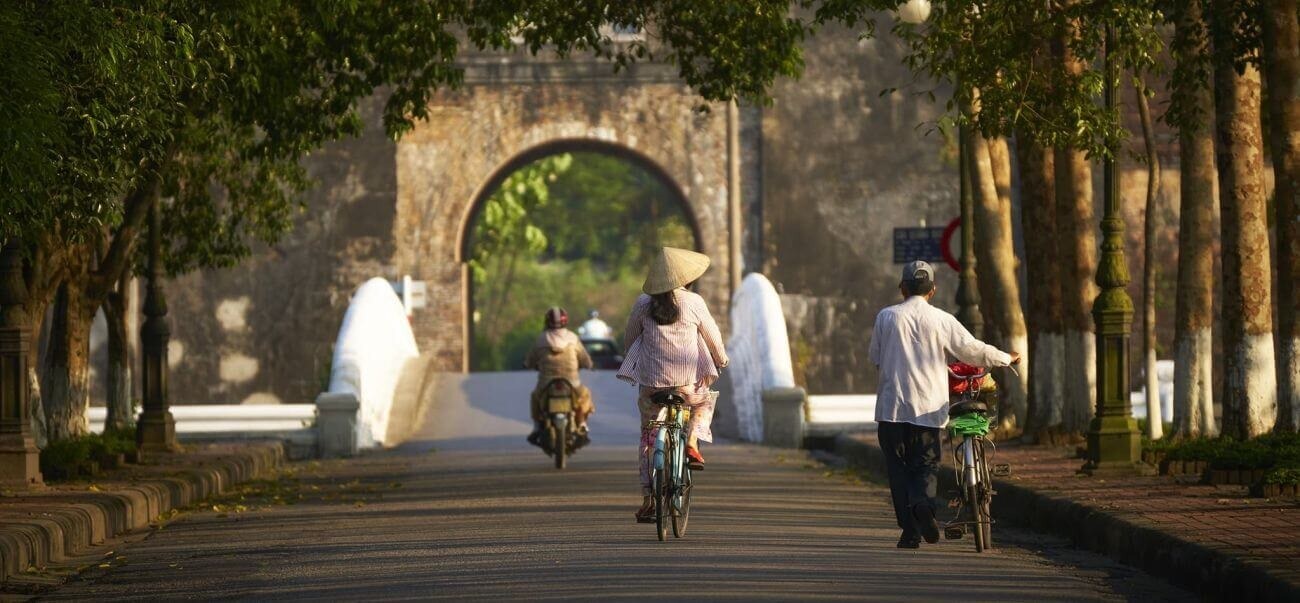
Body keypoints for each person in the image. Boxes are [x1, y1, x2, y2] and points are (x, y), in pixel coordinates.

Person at [869, 260, 1020, 549]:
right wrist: (1005, 357)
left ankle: (911, 530)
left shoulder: (885, 318)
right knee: (925, 466)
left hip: (891, 411)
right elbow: (973, 350)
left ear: (902, 288)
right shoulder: (942, 320)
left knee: (898, 469)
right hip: (927, 411)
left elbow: (875, 357)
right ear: (933, 290)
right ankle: (923, 506)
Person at [617, 247, 729, 524]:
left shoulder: (643, 304)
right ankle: (691, 441)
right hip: (687, 388)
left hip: (652, 389)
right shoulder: (694, 302)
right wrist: (721, 360)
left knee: (648, 437)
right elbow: (713, 339)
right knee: (704, 401)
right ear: (686, 278)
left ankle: (648, 499)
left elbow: (630, 339)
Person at [524, 307, 595, 447]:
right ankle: (581, 424)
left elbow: (530, 361)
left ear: (547, 321)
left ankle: (537, 427)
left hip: (546, 384)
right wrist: (589, 365)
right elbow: (586, 361)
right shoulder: (573, 338)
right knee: (585, 396)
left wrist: (528, 364)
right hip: (572, 383)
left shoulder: (541, 339)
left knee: (535, 397)